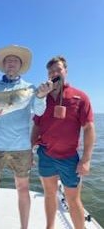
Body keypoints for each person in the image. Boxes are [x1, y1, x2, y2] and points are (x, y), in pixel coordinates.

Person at [0, 45, 53, 229]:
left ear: (20, 65)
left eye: (15, 60)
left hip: (21, 147)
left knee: (23, 189)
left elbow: (39, 111)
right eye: (7, 60)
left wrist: (42, 97)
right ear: (3, 65)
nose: (11, 63)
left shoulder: (29, 88)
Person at [31, 56, 95, 229]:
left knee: (73, 200)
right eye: (51, 71)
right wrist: (29, 150)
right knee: (49, 195)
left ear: (65, 71)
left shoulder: (80, 97)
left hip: (69, 158)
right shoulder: (42, 99)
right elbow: (36, 126)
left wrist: (86, 159)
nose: (54, 73)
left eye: (58, 70)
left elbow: (89, 128)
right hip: (45, 154)